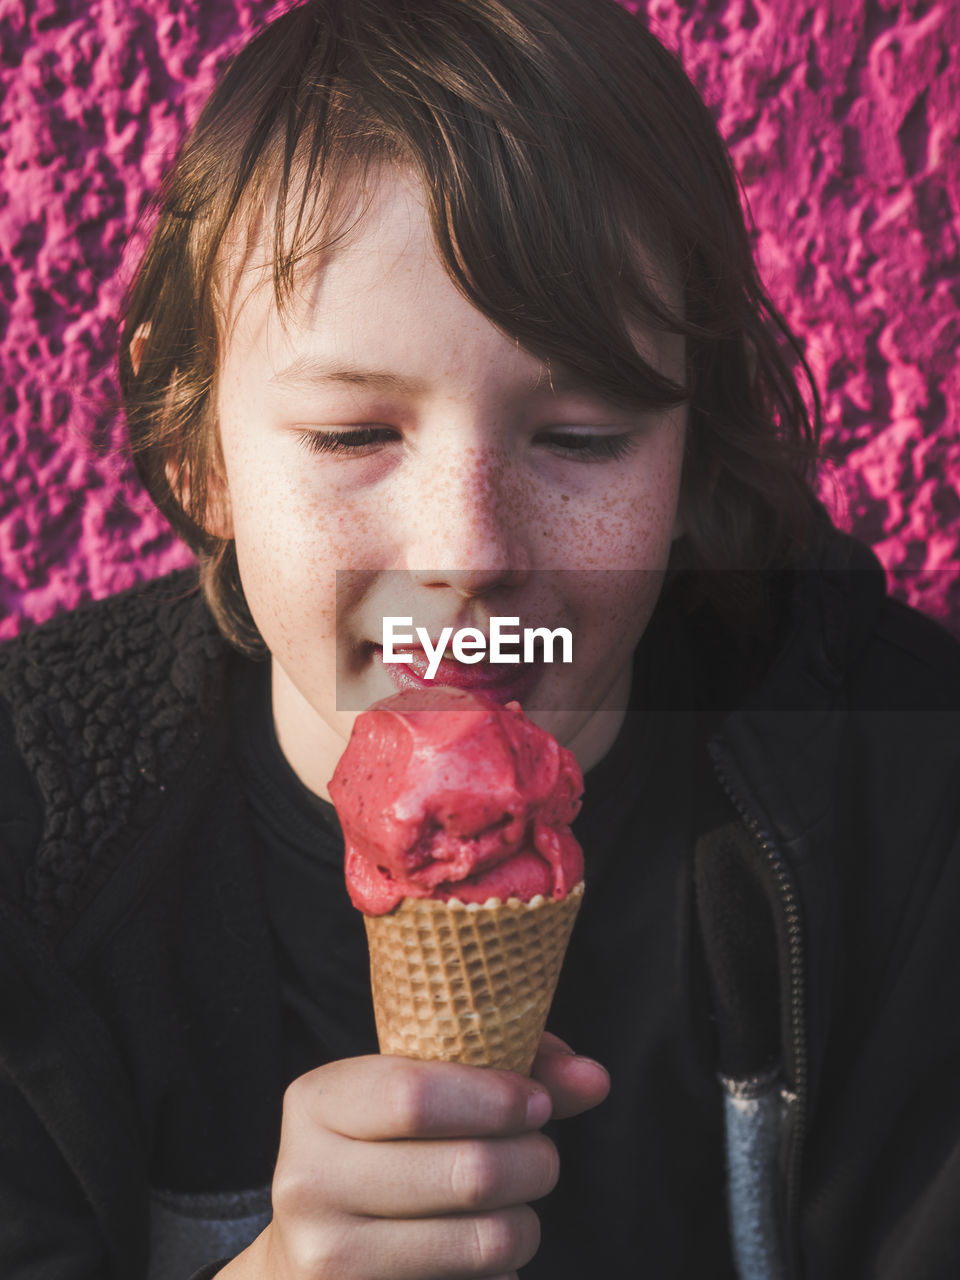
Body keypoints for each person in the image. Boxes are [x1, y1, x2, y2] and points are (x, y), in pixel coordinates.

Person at [1, 0, 958, 1277]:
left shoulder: (907, 797)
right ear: (199, 451)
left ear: (689, 463)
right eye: (353, 436)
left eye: (580, 437)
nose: (468, 550)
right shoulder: (31, 840)